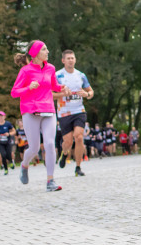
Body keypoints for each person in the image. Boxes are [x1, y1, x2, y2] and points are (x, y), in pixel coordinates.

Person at [10, 40, 70, 192]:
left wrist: (62, 87)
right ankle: (24, 165)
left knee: (50, 144)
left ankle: (50, 181)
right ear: (36, 53)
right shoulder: (26, 71)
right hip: (30, 111)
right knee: (35, 148)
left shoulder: (50, 68)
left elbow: (54, 86)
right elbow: (14, 92)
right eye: (44, 49)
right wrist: (28, 87)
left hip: (48, 110)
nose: (48, 52)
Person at [55, 49, 94, 177]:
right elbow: (50, 95)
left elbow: (91, 91)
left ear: (75, 60)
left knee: (79, 137)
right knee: (68, 142)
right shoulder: (57, 75)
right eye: (68, 58)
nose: (71, 60)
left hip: (79, 110)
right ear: (63, 60)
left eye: (72, 58)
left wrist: (87, 94)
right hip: (64, 112)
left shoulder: (81, 75)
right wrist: (62, 94)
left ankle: (78, 167)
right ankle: (64, 153)